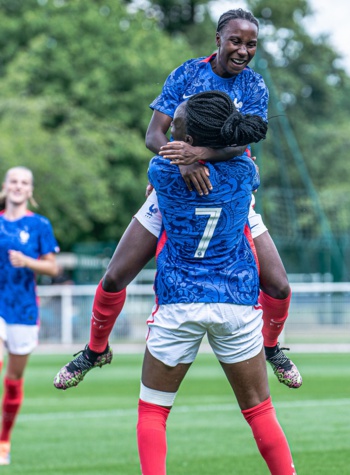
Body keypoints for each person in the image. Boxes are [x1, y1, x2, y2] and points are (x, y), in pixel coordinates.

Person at [54, 8, 302, 391]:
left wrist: (196, 156)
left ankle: (270, 348)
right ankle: (94, 349)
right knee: (116, 275)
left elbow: (244, 142)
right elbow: (154, 134)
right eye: (235, 41)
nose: (243, 50)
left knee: (279, 286)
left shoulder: (254, 86)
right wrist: (182, 164)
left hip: (231, 193)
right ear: (218, 39)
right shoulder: (186, 74)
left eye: (251, 44)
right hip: (175, 185)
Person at [137, 90, 296, 474]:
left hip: (179, 301)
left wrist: (176, 170)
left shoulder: (161, 172)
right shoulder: (246, 173)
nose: (169, 135)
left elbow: (161, 163)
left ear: (188, 143)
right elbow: (241, 160)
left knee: (153, 411)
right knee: (260, 411)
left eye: (175, 128)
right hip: (236, 302)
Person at [0, 166, 59, 465]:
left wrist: (27, 261)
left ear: (30, 189)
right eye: (14, 181)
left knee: (13, 380)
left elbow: (53, 267)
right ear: (5, 185)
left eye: (24, 182)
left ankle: (4, 440)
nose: (18, 186)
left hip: (23, 310)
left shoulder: (39, 225)